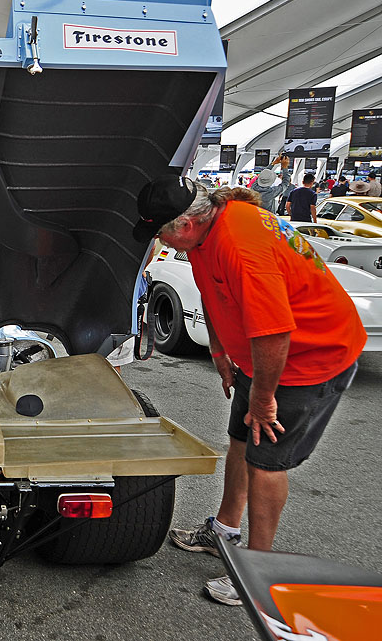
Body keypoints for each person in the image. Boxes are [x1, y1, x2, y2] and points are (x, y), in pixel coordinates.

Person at [133, 175, 364, 606]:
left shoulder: (240, 245)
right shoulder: (205, 236)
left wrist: (262, 398)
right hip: (261, 362)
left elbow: (275, 333)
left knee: (266, 461)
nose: (157, 242)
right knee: (240, 439)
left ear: (183, 225)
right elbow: (211, 294)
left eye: (158, 232)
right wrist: (221, 352)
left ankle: (261, 573)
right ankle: (223, 529)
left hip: (310, 359)